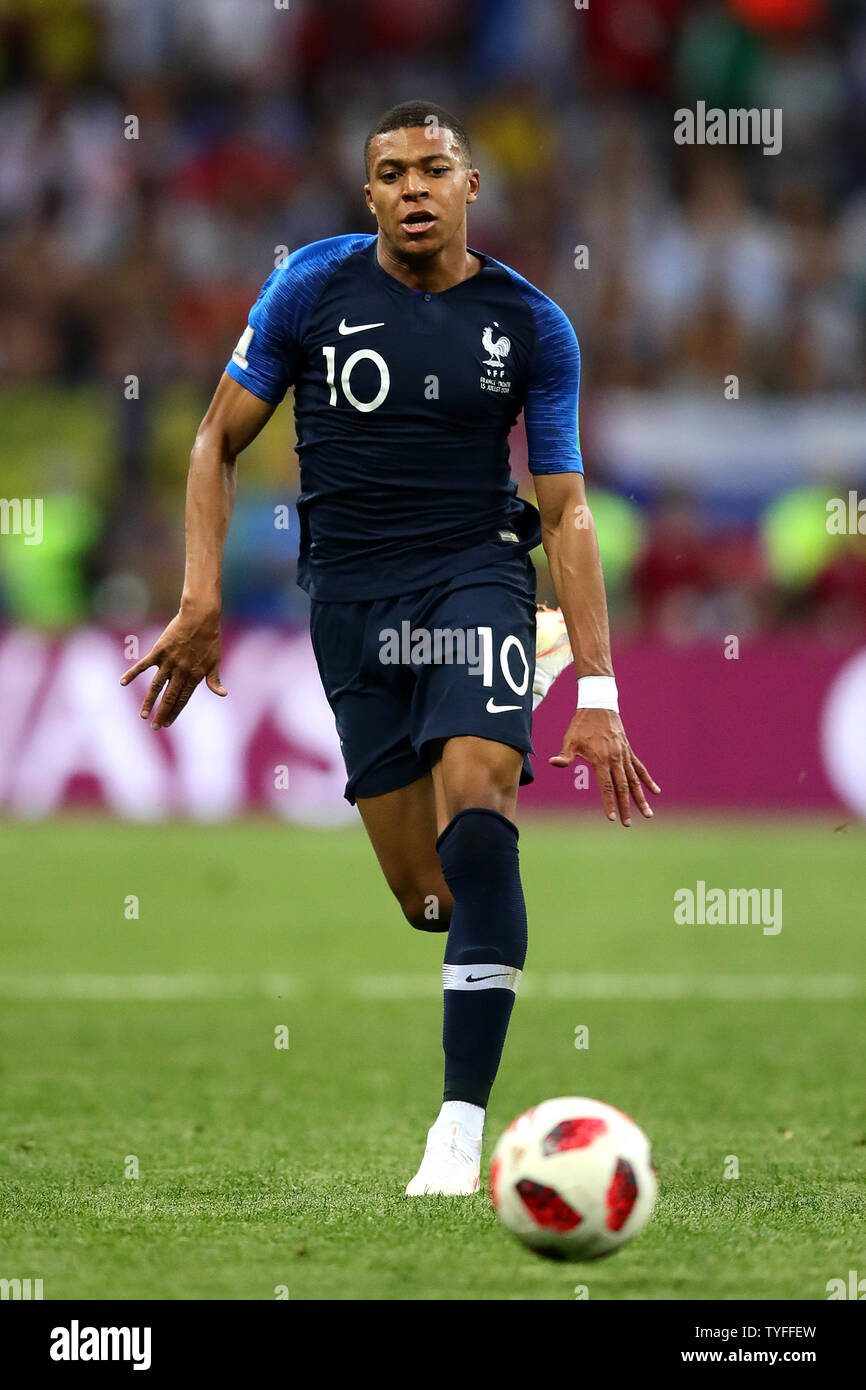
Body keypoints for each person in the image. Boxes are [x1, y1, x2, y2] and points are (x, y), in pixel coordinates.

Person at [121, 101, 660, 1196]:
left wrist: (599, 690)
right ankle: (486, 861)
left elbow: (563, 507)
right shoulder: (311, 287)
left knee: (477, 808)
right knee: (428, 898)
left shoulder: (531, 323)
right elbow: (216, 439)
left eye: (431, 169)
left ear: (471, 186)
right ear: (365, 193)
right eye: (389, 173)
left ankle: (457, 1136)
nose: (411, 189)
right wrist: (202, 594)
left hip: (474, 573)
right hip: (350, 604)